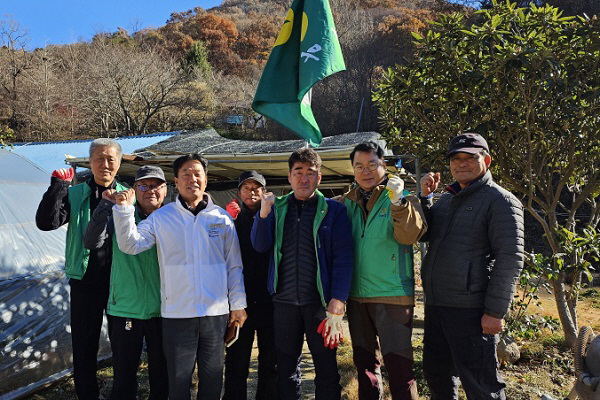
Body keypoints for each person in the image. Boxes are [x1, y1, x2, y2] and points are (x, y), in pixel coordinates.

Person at [111, 153, 247, 400]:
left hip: (215, 313)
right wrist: (123, 210)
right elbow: (130, 245)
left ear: (206, 180)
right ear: (176, 181)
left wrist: (238, 305)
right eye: (186, 173)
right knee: (178, 381)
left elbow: (233, 265)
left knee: (212, 379)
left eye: (197, 173)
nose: (192, 179)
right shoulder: (161, 218)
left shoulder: (221, 218)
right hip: (176, 314)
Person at [419, 133, 524, 399]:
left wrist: (495, 312)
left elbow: (510, 258)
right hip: (438, 305)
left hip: (471, 311)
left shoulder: (501, 201)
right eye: (456, 158)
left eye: (470, 157)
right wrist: (425, 199)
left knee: (480, 385)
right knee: (438, 376)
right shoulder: (448, 198)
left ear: (486, 160)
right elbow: (428, 233)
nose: (462, 164)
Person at [251, 148, 354, 400]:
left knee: (327, 369)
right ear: (289, 176)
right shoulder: (277, 208)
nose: (304, 178)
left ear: (319, 178)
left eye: (311, 173)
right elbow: (259, 245)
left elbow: (344, 257)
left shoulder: (334, 210)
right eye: (298, 172)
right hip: (284, 303)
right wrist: (263, 214)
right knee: (285, 369)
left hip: (319, 305)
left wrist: (338, 299)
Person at [36, 138, 126, 400]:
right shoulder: (75, 193)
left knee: (122, 344)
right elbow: (46, 222)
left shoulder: (128, 195)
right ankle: (88, 395)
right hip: (85, 281)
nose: (105, 164)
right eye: (99, 158)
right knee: (85, 345)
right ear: (90, 162)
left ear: (119, 163)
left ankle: (121, 392)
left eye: (111, 158)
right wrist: (57, 188)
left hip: (120, 281)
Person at [338, 141, 426, 400]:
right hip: (357, 297)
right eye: (359, 166)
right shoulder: (347, 202)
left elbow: (410, 235)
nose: (366, 171)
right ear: (353, 171)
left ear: (384, 165)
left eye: (372, 164)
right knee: (365, 368)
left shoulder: (403, 199)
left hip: (393, 295)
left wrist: (398, 202)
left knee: (400, 369)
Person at [83, 165, 169, 400]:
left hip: (165, 309)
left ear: (166, 190)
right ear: (134, 190)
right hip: (125, 308)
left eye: (156, 186)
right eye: (143, 185)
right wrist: (105, 206)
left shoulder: (173, 219)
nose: (150, 191)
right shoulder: (120, 214)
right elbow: (91, 242)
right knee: (124, 375)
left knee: (163, 375)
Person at [223, 171, 277, 400]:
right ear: (239, 193)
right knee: (236, 361)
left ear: (264, 193)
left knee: (271, 361)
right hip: (240, 304)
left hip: (270, 302)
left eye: (257, 187)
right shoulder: (230, 225)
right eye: (246, 187)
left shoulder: (275, 220)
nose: (252, 191)